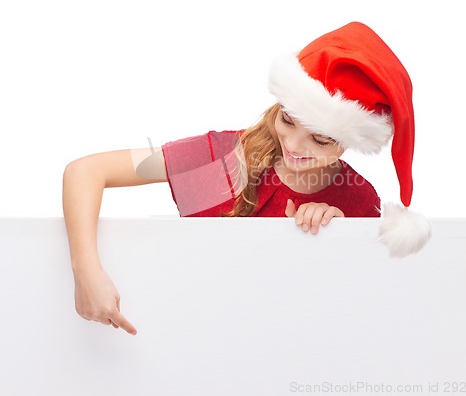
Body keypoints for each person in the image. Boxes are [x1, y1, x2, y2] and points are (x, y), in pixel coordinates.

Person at [62, 21, 431, 336]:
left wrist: (338, 237)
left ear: (349, 143)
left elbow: (361, 310)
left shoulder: (358, 199)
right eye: (287, 120)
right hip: (193, 331)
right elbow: (85, 171)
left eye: (320, 139)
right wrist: (86, 271)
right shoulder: (227, 157)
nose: (294, 145)